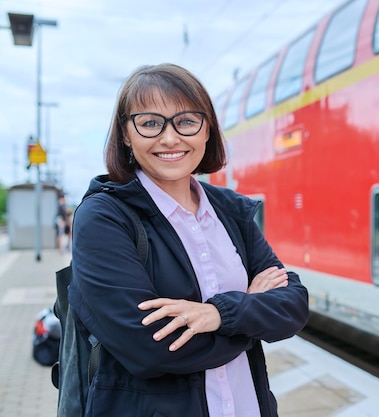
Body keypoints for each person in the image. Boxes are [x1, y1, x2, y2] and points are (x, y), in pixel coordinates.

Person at [68, 63, 309, 416]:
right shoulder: (104, 217)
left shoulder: (230, 211)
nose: (170, 138)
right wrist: (248, 314)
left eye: (186, 121)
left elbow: (293, 305)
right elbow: (151, 348)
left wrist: (216, 314)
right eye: (150, 123)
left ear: (206, 129)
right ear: (125, 134)